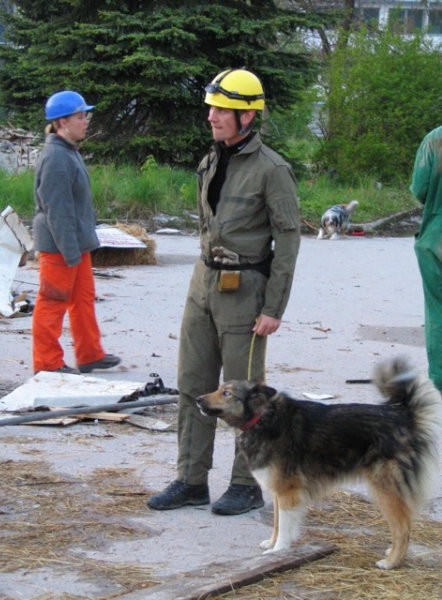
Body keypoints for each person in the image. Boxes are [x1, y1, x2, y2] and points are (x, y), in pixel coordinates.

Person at [148, 68, 301, 515]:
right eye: (212, 108)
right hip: (204, 283)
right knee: (192, 385)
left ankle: (246, 483)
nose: (212, 116)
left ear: (246, 116)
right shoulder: (212, 159)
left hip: (246, 290)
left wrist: (274, 306)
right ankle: (191, 480)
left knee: (246, 395)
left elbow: (288, 241)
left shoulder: (273, 170)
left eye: (221, 109)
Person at [32, 90, 121, 375]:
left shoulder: (68, 151)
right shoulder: (56, 157)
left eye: (86, 115)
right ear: (61, 122)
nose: (86, 121)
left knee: (82, 301)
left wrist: (80, 248)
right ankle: (47, 364)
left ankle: (90, 355)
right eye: (80, 116)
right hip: (60, 246)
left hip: (75, 246)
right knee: (53, 302)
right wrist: (70, 250)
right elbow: (56, 210)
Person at [410, 125, 442, 392]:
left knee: (438, 313)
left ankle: (440, 379)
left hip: (436, 240)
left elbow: (420, 189)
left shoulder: (435, 138)